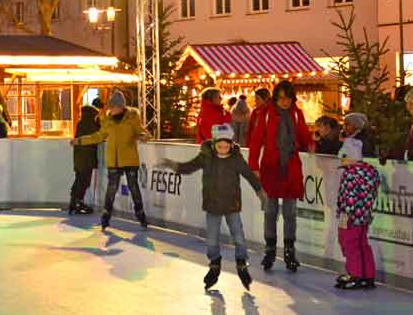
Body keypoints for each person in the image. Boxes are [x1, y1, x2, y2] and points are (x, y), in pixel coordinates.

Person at [163, 124, 266, 290]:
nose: (223, 149)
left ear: (231, 145)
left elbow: (249, 176)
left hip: (232, 205)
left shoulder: (236, 159)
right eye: (220, 146)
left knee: (238, 237)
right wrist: (172, 165)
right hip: (212, 205)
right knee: (212, 239)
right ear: (214, 143)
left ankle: (241, 263)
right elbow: (188, 168)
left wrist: (260, 192)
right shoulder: (206, 157)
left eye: (227, 146)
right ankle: (214, 265)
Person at [247, 79, 312, 272]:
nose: (285, 102)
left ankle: (290, 251)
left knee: (290, 213)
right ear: (275, 98)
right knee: (270, 211)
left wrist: (311, 144)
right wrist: (253, 165)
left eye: (288, 98)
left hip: (290, 168)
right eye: (281, 98)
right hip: (271, 168)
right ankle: (270, 251)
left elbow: (303, 135)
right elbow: (256, 140)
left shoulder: (297, 114)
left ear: (292, 98)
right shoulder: (265, 114)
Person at [71, 90, 149, 231]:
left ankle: (140, 213)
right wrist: (79, 141)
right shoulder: (107, 121)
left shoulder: (132, 117)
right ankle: (106, 215)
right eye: (111, 107)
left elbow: (141, 132)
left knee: (133, 188)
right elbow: (98, 136)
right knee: (111, 189)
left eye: (114, 107)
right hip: (113, 160)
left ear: (121, 106)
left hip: (130, 160)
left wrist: (143, 136)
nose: (112, 110)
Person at [334, 133, 381, 290]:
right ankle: (368, 275)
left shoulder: (350, 175)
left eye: (344, 158)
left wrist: (345, 216)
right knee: (362, 244)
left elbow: (349, 198)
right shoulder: (371, 173)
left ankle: (355, 274)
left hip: (350, 217)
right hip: (364, 216)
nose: (342, 161)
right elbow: (372, 194)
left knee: (350, 244)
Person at [68, 102, 100, 215]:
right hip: (87, 158)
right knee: (84, 180)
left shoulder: (81, 123)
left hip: (79, 157)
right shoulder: (91, 124)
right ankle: (77, 202)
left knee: (79, 179)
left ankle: (74, 202)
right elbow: (97, 137)